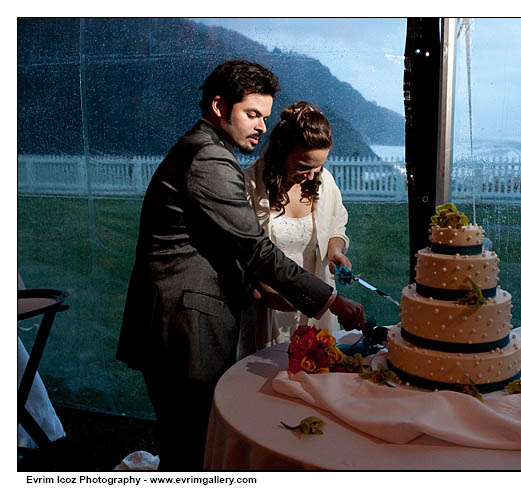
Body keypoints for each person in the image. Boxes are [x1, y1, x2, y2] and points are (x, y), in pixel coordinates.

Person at [116, 60, 366, 471]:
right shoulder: (209, 161)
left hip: (180, 322)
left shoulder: (205, 151)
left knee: (191, 445)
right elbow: (254, 249)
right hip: (183, 327)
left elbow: (225, 246)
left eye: (265, 117)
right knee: (192, 450)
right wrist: (332, 301)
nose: (261, 127)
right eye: (252, 114)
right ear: (219, 106)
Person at [240, 101, 350, 355]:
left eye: (319, 166)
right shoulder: (250, 186)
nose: (313, 175)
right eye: (304, 166)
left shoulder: (325, 182)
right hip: (269, 305)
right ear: (280, 151)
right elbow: (246, 252)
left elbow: (337, 226)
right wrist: (269, 293)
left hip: (315, 298)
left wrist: (335, 251)